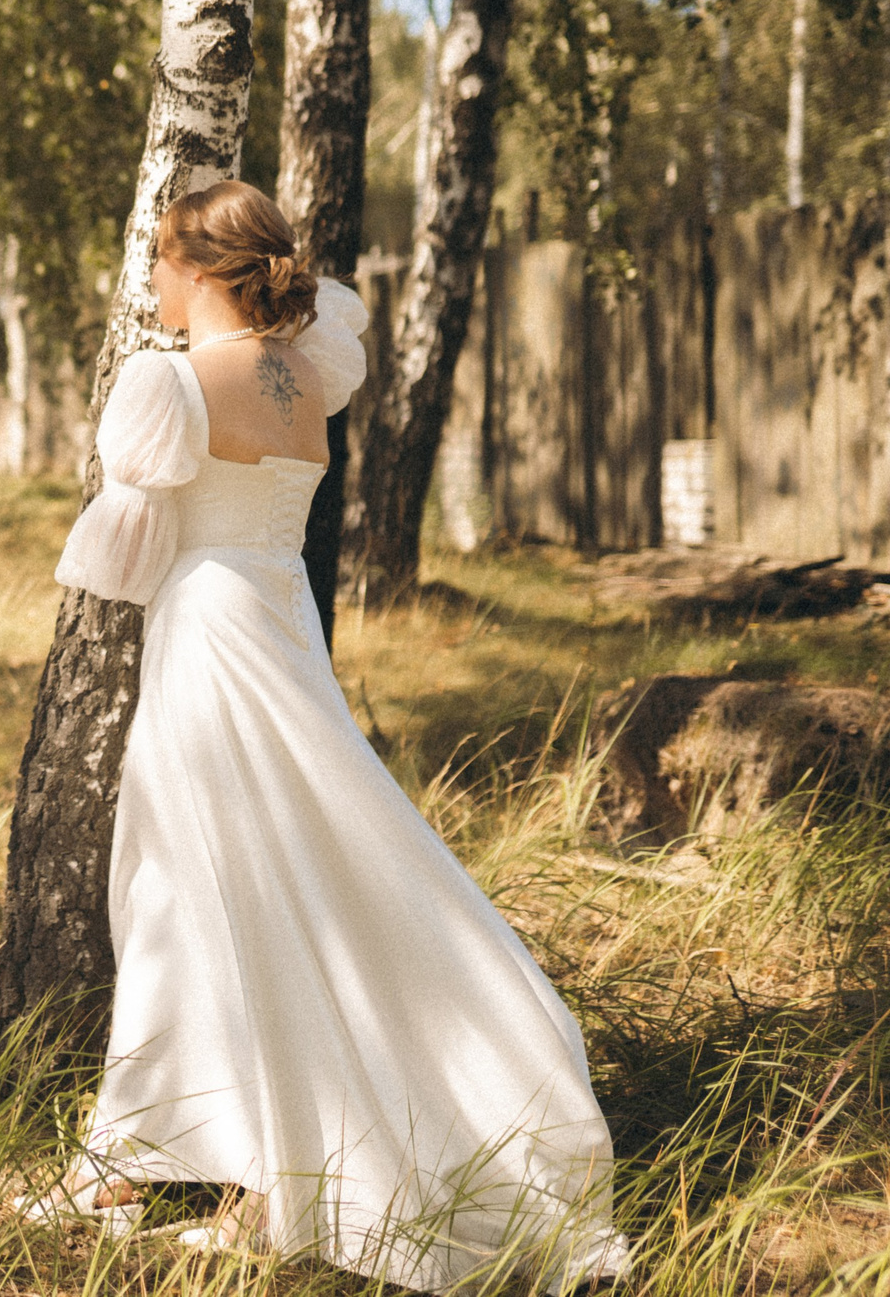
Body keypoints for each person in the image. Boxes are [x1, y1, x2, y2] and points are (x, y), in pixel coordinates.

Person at [47, 180, 628, 1291]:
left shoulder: (165, 382)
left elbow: (117, 569)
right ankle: (251, 1174)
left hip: (210, 626)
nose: (149, 286)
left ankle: (134, 1158)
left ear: (202, 268)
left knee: (181, 878)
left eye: (161, 265)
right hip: (280, 616)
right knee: (289, 862)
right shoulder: (310, 375)